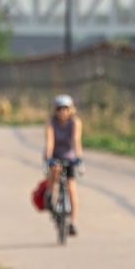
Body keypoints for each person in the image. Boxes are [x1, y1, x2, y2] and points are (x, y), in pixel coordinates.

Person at [44, 94, 83, 237]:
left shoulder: (75, 122)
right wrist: (48, 158)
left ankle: (72, 222)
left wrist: (78, 158)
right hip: (54, 155)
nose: (62, 112)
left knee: (72, 189)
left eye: (65, 109)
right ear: (55, 110)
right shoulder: (51, 123)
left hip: (69, 156)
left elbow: (75, 140)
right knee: (55, 169)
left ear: (70, 110)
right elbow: (50, 142)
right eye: (59, 109)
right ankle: (48, 194)